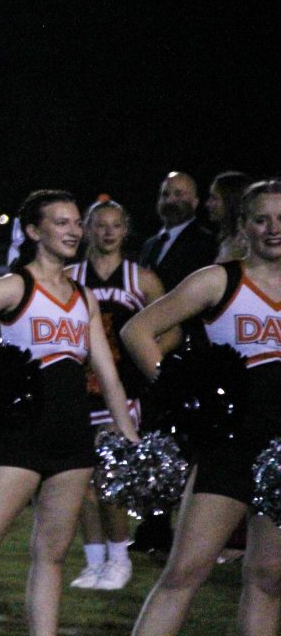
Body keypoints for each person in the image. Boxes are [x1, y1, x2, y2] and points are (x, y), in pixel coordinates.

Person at [0, 190, 139, 636]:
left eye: (76, 223)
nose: (74, 230)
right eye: (61, 222)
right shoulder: (17, 285)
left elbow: (107, 374)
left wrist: (129, 435)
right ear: (34, 231)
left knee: (52, 554)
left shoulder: (83, 296)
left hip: (73, 436)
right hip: (21, 434)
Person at [123, 179, 281, 636]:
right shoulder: (219, 280)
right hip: (228, 446)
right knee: (184, 573)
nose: (273, 228)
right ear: (243, 226)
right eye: (261, 219)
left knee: (269, 580)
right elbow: (138, 331)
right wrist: (182, 394)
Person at [64, 200, 169, 591]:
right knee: (82, 481)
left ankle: (120, 559)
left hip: (120, 391)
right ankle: (94, 562)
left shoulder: (141, 279)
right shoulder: (68, 276)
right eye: (99, 225)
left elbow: (171, 328)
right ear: (88, 230)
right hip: (76, 391)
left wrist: (151, 366)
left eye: (115, 226)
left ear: (125, 231)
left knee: (109, 476)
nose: (107, 232)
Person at [136, 171, 219, 553]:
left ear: (197, 201)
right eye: (165, 192)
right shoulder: (151, 244)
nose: (171, 199)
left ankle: (174, 530)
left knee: (182, 444)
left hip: (189, 354)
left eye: (180, 193)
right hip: (152, 353)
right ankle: (152, 528)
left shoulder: (206, 244)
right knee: (157, 441)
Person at [206, 171, 253, 263]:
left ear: (232, 201)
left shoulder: (246, 242)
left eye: (214, 198)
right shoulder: (228, 239)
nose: (208, 204)